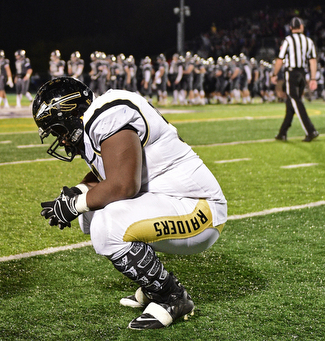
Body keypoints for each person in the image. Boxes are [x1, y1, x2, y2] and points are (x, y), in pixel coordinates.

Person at [33, 77, 227, 330]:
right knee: (90, 215)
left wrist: (75, 205)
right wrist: (77, 193)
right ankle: (152, 285)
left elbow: (124, 185)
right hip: (172, 202)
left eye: (58, 130)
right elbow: (112, 172)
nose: (63, 140)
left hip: (200, 210)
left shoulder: (105, 115)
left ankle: (172, 296)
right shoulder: (98, 122)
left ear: (71, 113)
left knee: (107, 224)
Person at [272, 17, 319, 142]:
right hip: (303, 74)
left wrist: (274, 74)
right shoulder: (308, 41)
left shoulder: (288, 40)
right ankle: (282, 132)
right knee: (291, 104)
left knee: (295, 101)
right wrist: (313, 78)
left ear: (291, 28)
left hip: (292, 73)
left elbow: (280, 59)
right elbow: (313, 61)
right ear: (302, 27)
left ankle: (310, 130)